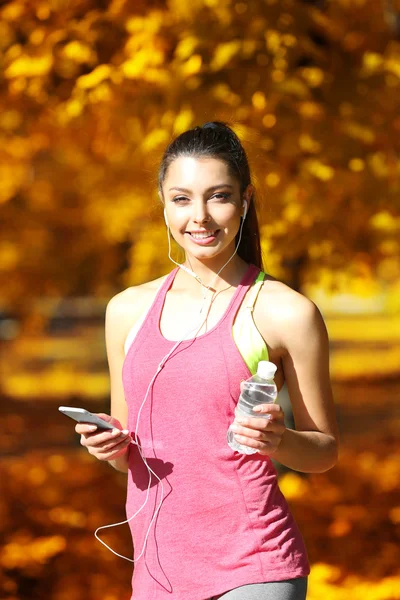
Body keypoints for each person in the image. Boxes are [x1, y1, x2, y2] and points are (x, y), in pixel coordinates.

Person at [75, 122, 339, 600]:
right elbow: (128, 455)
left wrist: (278, 440)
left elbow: (324, 452)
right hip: (156, 574)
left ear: (245, 199)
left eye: (218, 196)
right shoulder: (126, 310)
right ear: (162, 202)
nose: (200, 217)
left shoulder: (285, 311)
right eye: (182, 199)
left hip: (254, 566)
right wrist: (109, 445)